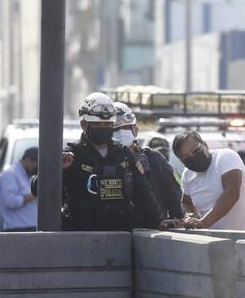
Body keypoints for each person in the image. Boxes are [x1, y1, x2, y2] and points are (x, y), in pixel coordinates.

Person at [52, 92, 163, 231]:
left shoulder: (123, 153)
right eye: (98, 124)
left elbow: (143, 191)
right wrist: (57, 169)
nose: (103, 127)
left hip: (120, 236)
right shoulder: (71, 155)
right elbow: (40, 189)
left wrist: (158, 221)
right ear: (84, 124)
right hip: (81, 238)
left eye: (107, 124)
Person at [175, 131, 245, 231]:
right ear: (181, 161)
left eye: (195, 150)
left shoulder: (225, 157)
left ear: (204, 144)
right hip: (215, 242)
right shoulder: (187, 175)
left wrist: (204, 222)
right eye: (186, 157)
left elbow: (231, 193)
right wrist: (191, 215)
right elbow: (186, 202)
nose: (192, 156)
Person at [112, 102, 184, 221]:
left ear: (135, 130)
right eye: (116, 129)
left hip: (152, 230)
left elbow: (174, 196)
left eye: (125, 127)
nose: (121, 132)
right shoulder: (102, 160)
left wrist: (176, 221)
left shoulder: (154, 159)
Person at [0, 147, 39, 231]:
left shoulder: (29, 175)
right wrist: (34, 195)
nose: (36, 166)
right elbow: (10, 202)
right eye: (35, 163)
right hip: (17, 230)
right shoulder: (10, 174)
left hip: (32, 228)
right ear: (27, 159)